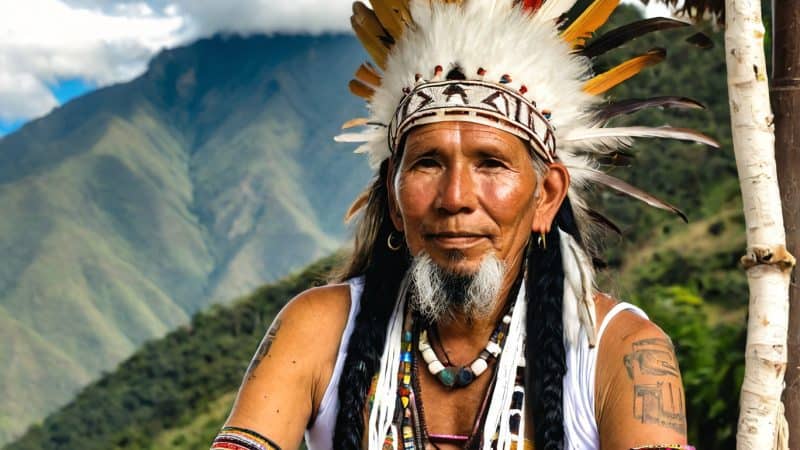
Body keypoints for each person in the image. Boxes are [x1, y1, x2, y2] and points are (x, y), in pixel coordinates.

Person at [211, 1, 714, 449]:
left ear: (547, 195)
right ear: (392, 192)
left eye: (491, 164)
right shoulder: (318, 328)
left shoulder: (619, 350)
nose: (455, 199)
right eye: (428, 162)